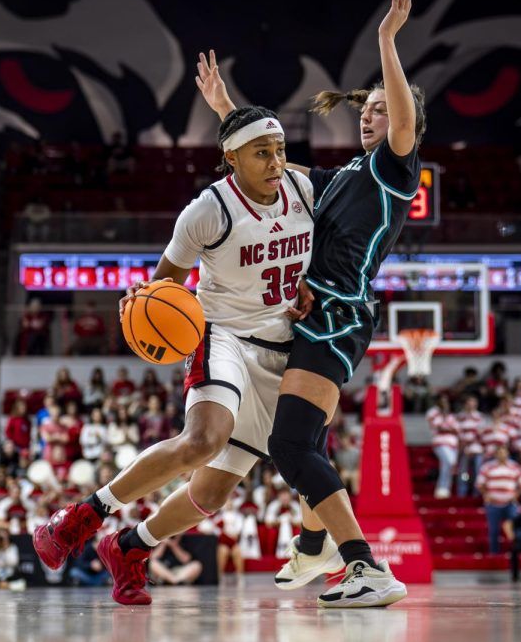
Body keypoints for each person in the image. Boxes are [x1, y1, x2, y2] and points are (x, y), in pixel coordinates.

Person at [31, 100, 315, 607]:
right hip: (221, 334)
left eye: (280, 150)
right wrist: (142, 302)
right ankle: (82, 516)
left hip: (280, 346)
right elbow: (164, 284)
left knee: (211, 493)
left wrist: (310, 283)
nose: (276, 162)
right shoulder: (208, 210)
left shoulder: (303, 190)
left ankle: (129, 547)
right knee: (203, 440)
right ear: (232, 159)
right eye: (262, 153)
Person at [195, 0, 425, 607]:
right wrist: (226, 111)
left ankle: (365, 566)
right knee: (306, 441)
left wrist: (386, 39)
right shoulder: (343, 174)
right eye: (366, 108)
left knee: (290, 445)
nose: (369, 115)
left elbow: (404, 119)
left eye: (380, 108)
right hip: (315, 314)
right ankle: (315, 542)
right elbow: (271, 165)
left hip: (337, 314)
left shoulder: (393, 169)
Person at [476, 446, 521, 555]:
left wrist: (516, 495)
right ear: (496, 454)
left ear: (507, 453)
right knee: (494, 530)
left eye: (504, 452)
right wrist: (486, 494)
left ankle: (516, 551)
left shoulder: (515, 466)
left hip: (510, 503)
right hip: (493, 504)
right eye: (499, 453)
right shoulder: (487, 467)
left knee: (515, 528)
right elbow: (480, 483)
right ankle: (494, 554)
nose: (502, 455)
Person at [426, 394, 459, 499]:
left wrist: (447, 426)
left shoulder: (451, 415)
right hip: (440, 442)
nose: (445, 404)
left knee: (449, 465)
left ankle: (445, 488)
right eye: (443, 401)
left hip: (452, 444)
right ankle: (441, 487)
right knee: (448, 462)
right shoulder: (434, 412)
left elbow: (456, 429)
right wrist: (446, 425)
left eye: (446, 401)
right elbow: (437, 426)